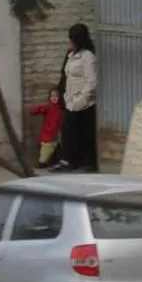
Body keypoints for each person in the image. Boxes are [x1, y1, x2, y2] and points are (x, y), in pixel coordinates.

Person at [49, 23, 99, 173]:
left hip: (84, 103)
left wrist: (82, 99)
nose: (69, 42)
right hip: (70, 101)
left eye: (72, 39)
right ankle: (68, 160)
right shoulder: (70, 55)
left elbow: (92, 81)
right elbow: (64, 75)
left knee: (85, 133)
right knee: (67, 131)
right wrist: (61, 92)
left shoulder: (88, 57)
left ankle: (88, 163)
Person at [31, 86, 63, 169]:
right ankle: (41, 164)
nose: (54, 98)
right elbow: (38, 109)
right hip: (48, 134)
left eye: (56, 96)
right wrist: (34, 110)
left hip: (56, 134)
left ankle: (54, 162)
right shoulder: (48, 107)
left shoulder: (60, 109)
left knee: (56, 149)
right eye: (52, 96)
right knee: (46, 151)